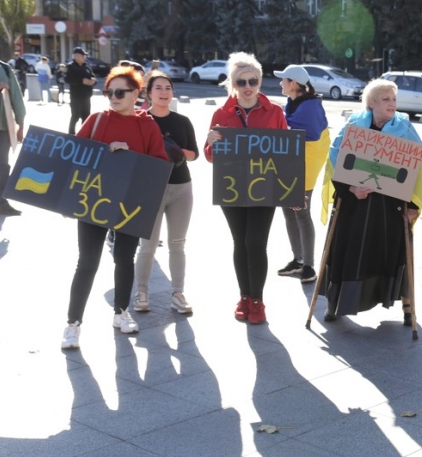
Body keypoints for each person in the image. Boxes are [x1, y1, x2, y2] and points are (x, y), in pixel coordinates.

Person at [61, 66, 169, 349]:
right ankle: (73, 323)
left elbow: (159, 166)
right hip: (93, 201)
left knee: (124, 257)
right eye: (109, 91)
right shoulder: (97, 120)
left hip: (129, 204)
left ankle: (121, 312)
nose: (113, 97)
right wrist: (64, 198)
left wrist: (130, 156)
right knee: (87, 262)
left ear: (136, 94)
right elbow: (74, 157)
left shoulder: (147, 126)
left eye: (120, 92)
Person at [319, 79, 422, 324]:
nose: (392, 103)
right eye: (386, 99)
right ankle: (335, 303)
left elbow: (418, 168)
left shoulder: (405, 128)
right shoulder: (353, 126)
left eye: (394, 99)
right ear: (372, 103)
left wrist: (414, 206)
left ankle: (408, 308)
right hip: (355, 205)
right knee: (347, 251)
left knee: (394, 251)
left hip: (389, 207)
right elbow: (334, 160)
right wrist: (350, 188)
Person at [204, 52, 288, 325]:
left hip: (265, 186)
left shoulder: (274, 111)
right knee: (240, 242)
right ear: (233, 84)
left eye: (253, 80)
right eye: (241, 82)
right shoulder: (221, 113)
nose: (248, 86)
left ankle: (257, 300)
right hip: (232, 187)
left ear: (260, 81)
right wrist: (211, 143)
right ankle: (244, 296)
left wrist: (293, 188)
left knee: (255, 242)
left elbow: (288, 152)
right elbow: (210, 156)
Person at [133, 70, 198, 315]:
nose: (164, 92)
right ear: (148, 93)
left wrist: (175, 150)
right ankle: (141, 293)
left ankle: (178, 294)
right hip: (151, 188)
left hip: (181, 187)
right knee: (147, 245)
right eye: (158, 88)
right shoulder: (140, 119)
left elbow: (193, 154)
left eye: (168, 88)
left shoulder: (182, 121)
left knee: (178, 244)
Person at [274, 65, 331, 284]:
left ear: (294, 84)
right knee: (288, 209)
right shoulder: (297, 102)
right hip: (296, 163)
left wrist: (279, 121)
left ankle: (308, 266)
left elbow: (310, 133)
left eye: (283, 80)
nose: (281, 83)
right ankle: (298, 260)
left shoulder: (309, 106)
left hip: (306, 166)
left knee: (301, 212)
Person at [0, 56, 25, 217]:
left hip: (3, 127)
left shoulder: (5, 68)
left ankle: (0, 201)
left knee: (2, 165)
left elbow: (16, 97)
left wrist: (20, 125)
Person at [65, 47, 97, 135]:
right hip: (76, 96)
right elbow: (67, 80)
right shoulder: (71, 67)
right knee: (75, 116)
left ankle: (84, 134)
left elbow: (93, 77)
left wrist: (93, 81)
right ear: (76, 56)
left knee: (86, 116)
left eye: (83, 56)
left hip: (86, 96)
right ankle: (71, 133)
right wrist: (81, 81)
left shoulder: (87, 67)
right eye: (78, 56)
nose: (83, 57)